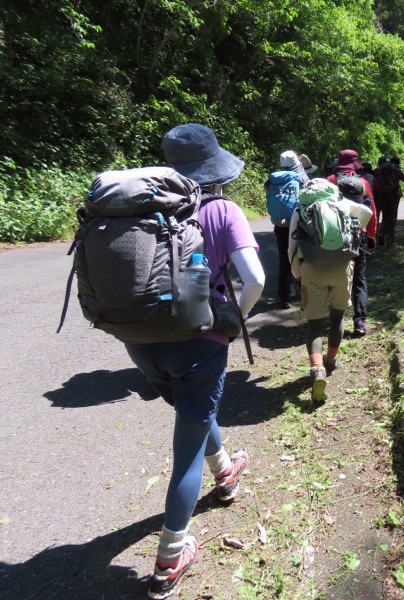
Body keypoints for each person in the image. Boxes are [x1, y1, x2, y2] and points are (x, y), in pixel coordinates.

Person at [126, 123, 265, 600]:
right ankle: (170, 556)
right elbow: (257, 279)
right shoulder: (223, 210)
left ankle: (226, 471)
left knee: (193, 411)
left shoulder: (142, 212)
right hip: (199, 345)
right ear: (215, 168)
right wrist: (230, 322)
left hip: (140, 343)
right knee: (186, 446)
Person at [287, 178, 373, 402]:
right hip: (341, 267)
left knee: (315, 323)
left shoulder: (301, 209)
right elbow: (367, 212)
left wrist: (297, 272)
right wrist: (357, 228)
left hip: (312, 269)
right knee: (338, 316)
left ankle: (317, 369)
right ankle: (332, 360)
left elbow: (291, 248)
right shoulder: (341, 204)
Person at [326, 149, 378, 336]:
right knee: (359, 278)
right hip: (359, 235)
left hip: (334, 236)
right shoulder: (363, 182)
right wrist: (371, 235)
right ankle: (360, 320)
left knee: (334, 276)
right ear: (355, 164)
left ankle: (334, 319)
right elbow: (371, 209)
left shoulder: (330, 181)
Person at [266, 150, 309, 308]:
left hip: (279, 224)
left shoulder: (271, 180)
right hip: (298, 223)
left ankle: (286, 297)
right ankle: (304, 294)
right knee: (302, 257)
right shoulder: (301, 178)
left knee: (284, 259)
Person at [373, 155, 404, 247]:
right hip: (393, 197)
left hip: (381, 196)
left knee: (385, 216)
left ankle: (382, 234)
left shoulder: (378, 171)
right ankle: (390, 241)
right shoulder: (396, 171)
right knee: (392, 217)